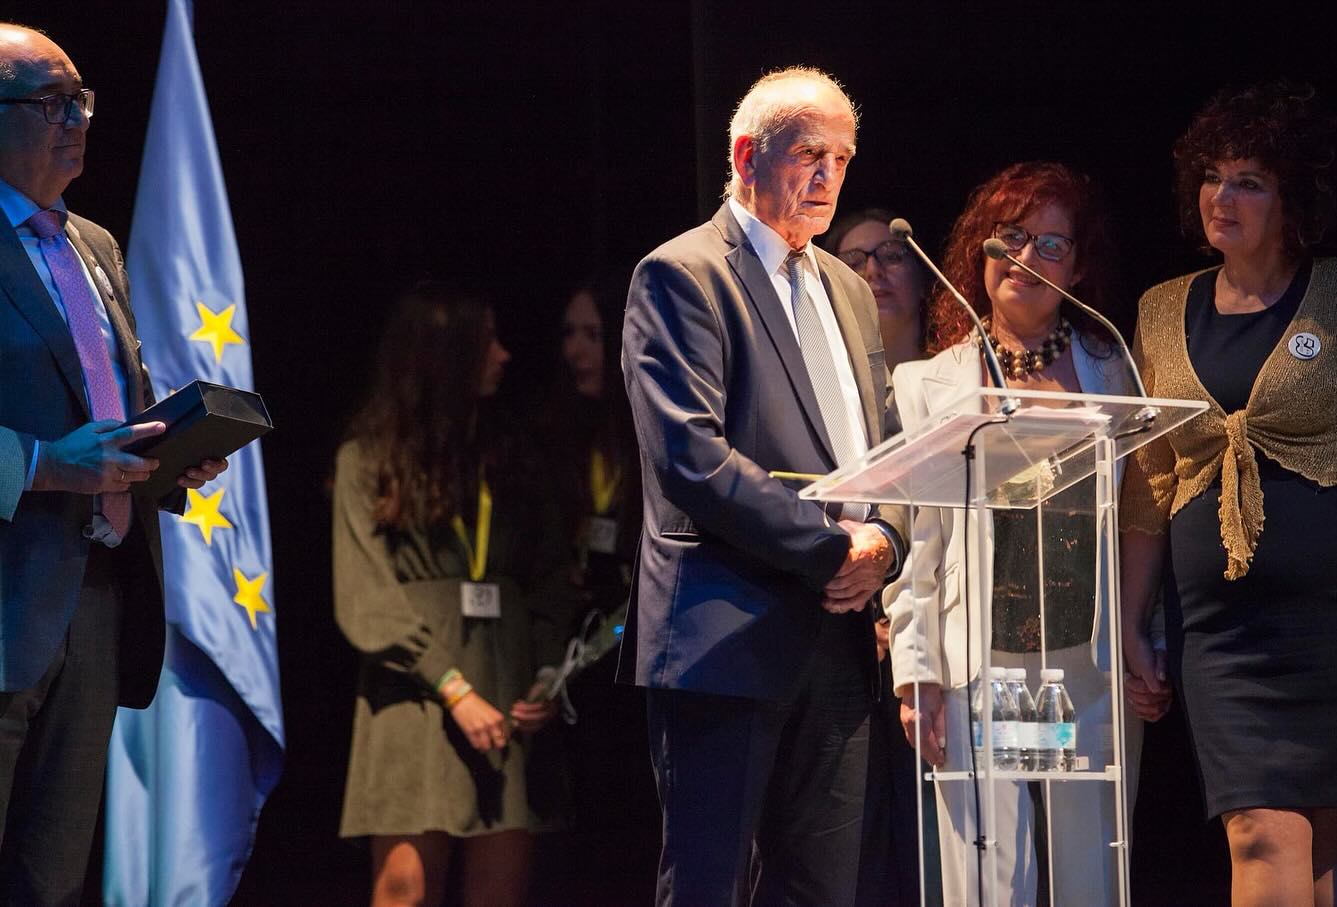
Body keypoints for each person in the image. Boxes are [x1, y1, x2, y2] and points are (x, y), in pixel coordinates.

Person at [619, 66, 908, 906]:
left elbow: (885, 449)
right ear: (748, 155)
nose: (826, 176)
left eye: (841, 158)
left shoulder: (849, 290)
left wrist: (885, 541)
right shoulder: (682, 274)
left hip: (842, 638)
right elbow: (690, 458)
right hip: (727, 634)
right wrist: (830, 548)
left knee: (822, 888)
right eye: (807, 153)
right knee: (709, 881)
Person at [1120, 82, 1337, 907]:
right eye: (1212, 176)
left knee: (1329, 838)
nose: (1222, 197)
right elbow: (1149, 484)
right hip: (1219, 632)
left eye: (1250, 180)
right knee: (1258, 826)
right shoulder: (1160, 310)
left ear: (1293, 196)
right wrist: (1128, 624)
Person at [0, 23, 227, 903]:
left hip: (95, 597)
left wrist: (164, 457)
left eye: (81, 98)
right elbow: (61, 445)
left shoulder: (93, 244)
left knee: (50, 881)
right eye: (51, 102)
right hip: (11, 599)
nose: (76, 118)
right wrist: (49, 464)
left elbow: (110, 404)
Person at [888, 161, 1149, 906]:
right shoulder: (928, 385)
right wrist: (917, 672)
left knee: (1089, 885)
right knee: (987, 889)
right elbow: (919, 547)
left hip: (1086, 670)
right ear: (980, 250)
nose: (1025, 257)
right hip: (979, 667)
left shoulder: (1118, 370)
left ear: (1080, 263)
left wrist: (1141, 632)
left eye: (1050, 244)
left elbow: (1141, 517)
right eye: (1009, 237)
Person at [333, 283, 568, 907]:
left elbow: (550, 579)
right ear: (444, 355)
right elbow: (365, 598)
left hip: (507, 690)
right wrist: (453, 688)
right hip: (414, 700)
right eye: (487, 341)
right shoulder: (368, 459)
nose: (503, 355)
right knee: (405, 893)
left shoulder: (513, 455)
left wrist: (548, 673)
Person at [824, 208, 933, 907]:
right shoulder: (825, 388)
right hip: (843, 634)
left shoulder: (954, 379)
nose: (872, 270)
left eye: (891, 255)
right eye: (854, 257)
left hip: (936, 652)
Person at [540, 272, 658, 904]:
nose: (577, 350)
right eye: (569, 334)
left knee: (639, 819)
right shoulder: (554, 434)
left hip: (638, 652)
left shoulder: (647, 428)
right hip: (572, 652)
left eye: (593, 334)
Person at [825, 207, 929, 371]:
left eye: (891, 257)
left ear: (922, 279)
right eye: (854, 263)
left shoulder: (962, 374)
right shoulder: (822, 383)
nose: (873, 271)